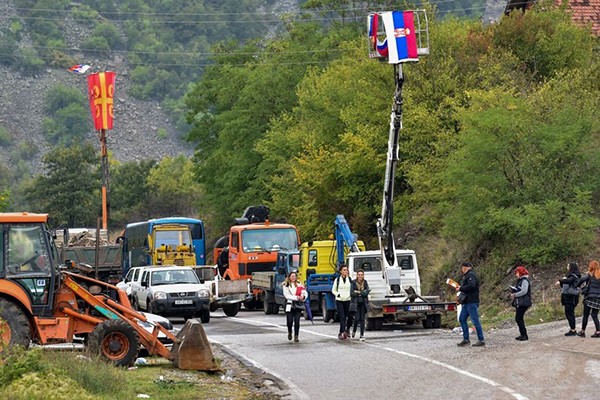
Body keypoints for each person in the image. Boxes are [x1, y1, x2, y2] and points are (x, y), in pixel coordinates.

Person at [456, 262, 485, 347]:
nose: (461, 270)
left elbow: (472, 286)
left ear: (465, 268)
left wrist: (461, 288)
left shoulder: (471, 275)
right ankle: (466, 339)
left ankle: (481, 339)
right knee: (462, 318)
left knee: (475, 321)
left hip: (472, 302)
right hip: (466, 302)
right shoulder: (468, 276)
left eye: (462, 268)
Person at [555, 262, 581, 336]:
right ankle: (572, 328)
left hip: (571, 297)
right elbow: (565, 285)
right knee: (568, 313)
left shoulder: (574, 276)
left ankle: (573, 329)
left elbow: (569, 281)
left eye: (568, 266)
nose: (567, 267)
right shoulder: (569, 276)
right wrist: (562, 282)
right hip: (567, 296)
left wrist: (560, 281)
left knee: (570, 313)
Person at [576, 260, 600, 338]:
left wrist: (579, 286)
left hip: (589, 297)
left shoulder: (589, 275)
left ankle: (582, 331)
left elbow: (581, 280)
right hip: (598, 298)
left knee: (586, 315)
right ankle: (598, 331)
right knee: (594, 315)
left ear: (591, 267)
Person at [282, 270, 306, 342]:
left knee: (297, 321)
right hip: (289, 304)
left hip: (298, 305)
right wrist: (296, 297)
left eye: (295, 276)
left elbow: (303, 292)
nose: (293, 278)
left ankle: (296, 336)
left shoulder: (299, 284)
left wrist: (303, 297)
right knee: (289, 321)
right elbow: (287, 295)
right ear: (289, 277)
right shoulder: (285, 285)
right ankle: (290, 332)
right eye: (292, 276)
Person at [510, 266, 532, 341]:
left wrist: (515, 294)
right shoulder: (521, 280)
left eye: (517, 273)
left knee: (518, 318)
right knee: (520, 318)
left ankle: (524, 335)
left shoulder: (524, 280)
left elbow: (524, 291)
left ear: (520, 273)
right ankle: (523, 334)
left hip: (524, 302)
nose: (516, 275)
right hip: (521, 302)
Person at [332, 264, 353, 340]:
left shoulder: (350, 280)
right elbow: (333, 290)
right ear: (340, 271)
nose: (346, 271)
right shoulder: (337, 280)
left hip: (348, 300)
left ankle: (347, 329)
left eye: (346, 270)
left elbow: (352, 289)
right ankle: (341, 332)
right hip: (340, 300)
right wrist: (338, 294)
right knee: (342, 317)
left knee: (350, 316)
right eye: (344, 270)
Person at [350, 269, 370, 341]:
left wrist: (359, 292)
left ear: (363, 275)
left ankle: (362, 335)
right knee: (357, 319)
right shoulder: (353, 282)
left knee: (362, 319)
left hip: (363, 303)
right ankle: (354, 330)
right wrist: (361, 292)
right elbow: (352, 293)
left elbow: (367, 292)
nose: (360, 276)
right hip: (356, 304)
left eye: (361, 275)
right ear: (357, 275)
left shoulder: (365, 282)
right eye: (359, 275)